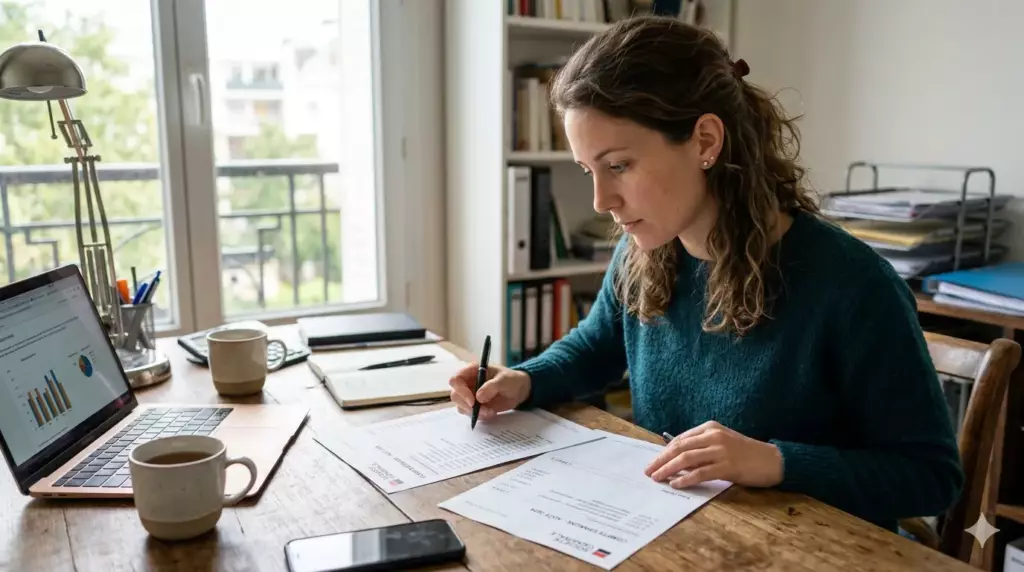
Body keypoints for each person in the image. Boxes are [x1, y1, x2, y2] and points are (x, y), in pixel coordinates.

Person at [449, 16, 963, 532]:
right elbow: (594, 347)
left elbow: (930, 476)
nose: (602, 201)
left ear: (705, 140)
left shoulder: (853, 284)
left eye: (619, 166)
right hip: (675, 531)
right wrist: (523, 379)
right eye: (589, 170)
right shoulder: (644, 249)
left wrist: (775, 461)